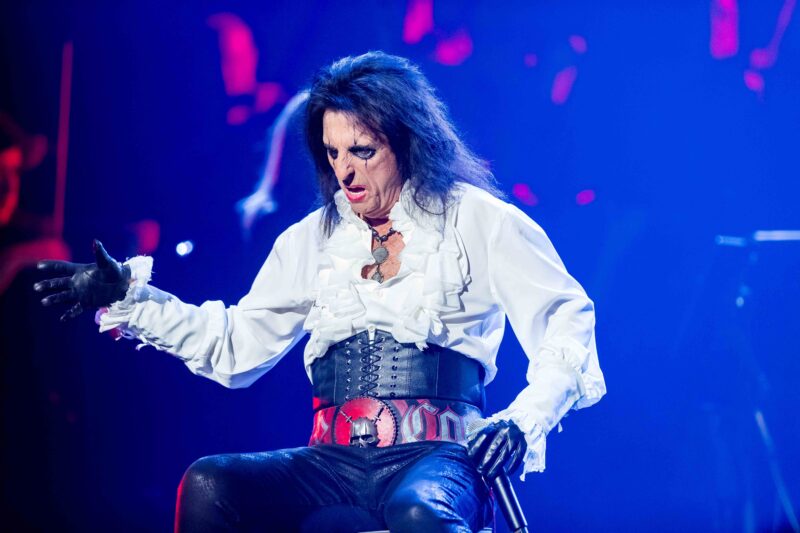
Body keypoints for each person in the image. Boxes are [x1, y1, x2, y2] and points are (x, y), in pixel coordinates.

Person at [34, 51, 605, 532]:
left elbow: (567, 317)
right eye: (333, 153)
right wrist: (132, 299)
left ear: (407, 142)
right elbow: (236, 347)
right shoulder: (311, 239)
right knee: (210, 483)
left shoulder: (479, 220)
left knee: (418, 512)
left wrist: (523, 421)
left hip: (439, 458)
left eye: (362, 151)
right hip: (333, 461)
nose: (345, 173)